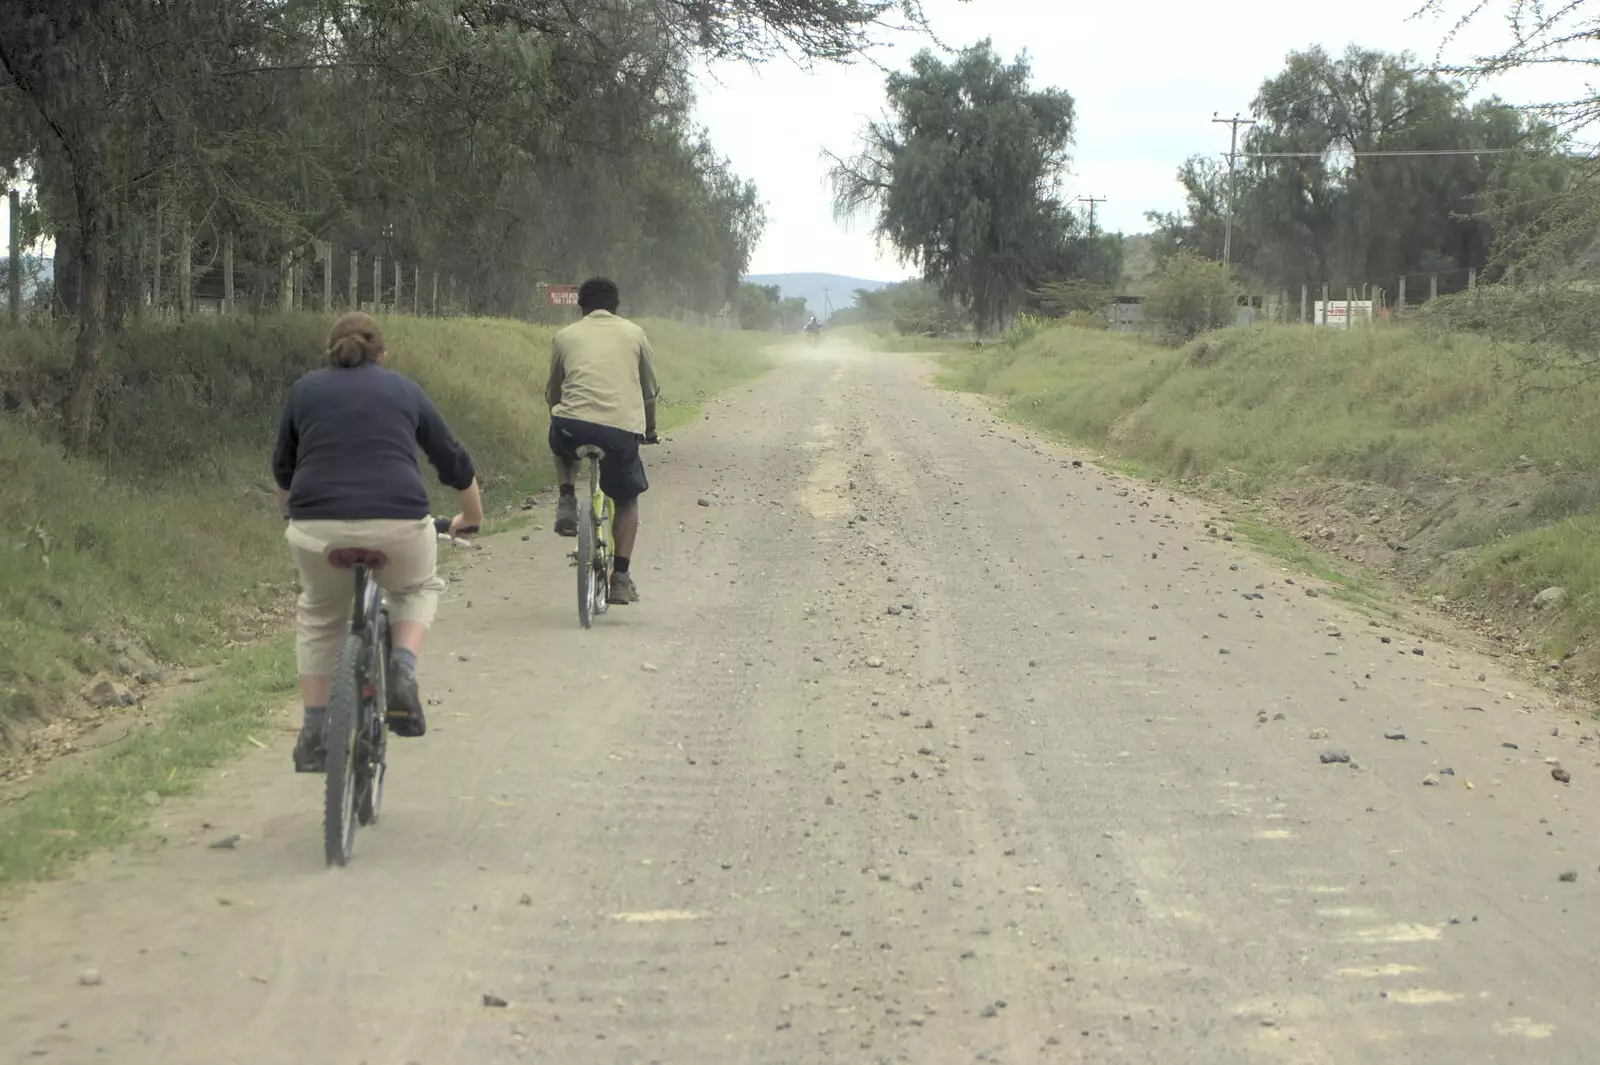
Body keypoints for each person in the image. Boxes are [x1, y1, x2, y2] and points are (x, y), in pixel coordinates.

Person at [272, 312, 484, 773]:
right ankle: (403, 668)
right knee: (414, 589)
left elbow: (283, 470)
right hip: (399, 524)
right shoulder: (404, 389)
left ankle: (314, 730)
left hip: (317, 526)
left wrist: (293, 515)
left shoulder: (304, 390)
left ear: (330, 351)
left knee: (320, 613)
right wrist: (471, 515)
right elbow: (453, 460)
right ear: (382, 356)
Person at [545, 276, 659, 605]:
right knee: (626, 500)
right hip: (619, 432)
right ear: (616, 307)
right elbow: (649, 392)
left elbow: (554, 392)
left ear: (581, 307)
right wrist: (649, 430)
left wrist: (560, 412)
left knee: (561, 442)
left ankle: (566, 498)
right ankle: (620, 578)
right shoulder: (635, 334)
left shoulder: (564, 336)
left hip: (572, 426)